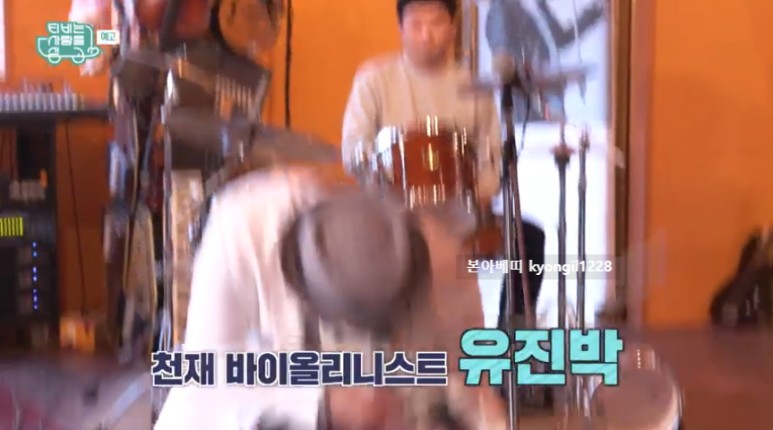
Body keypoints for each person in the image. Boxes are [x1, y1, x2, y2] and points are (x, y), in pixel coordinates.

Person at [154, 167, 507, 429]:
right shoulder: (242, 226)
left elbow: (474, 389)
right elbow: (205, 377)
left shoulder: (441, 258)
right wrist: (321, 405)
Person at [341, 0, 545, 344]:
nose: (426, 34)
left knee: (530, 240)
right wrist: (381, 174)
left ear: (452, 28)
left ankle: (507, 347)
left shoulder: (474, 87)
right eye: (416, 24)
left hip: (460, 214)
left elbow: (493, 159)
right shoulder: (374, 79)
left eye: (436, 23)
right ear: (400, 28)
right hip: (395, 213)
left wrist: (476, 193)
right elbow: (353, 150)